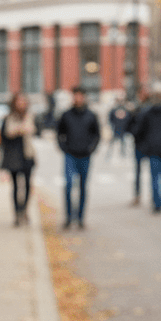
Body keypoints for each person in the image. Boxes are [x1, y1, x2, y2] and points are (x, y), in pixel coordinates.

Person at [56, 86, 101, 229]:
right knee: (69, 185)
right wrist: (64, 148)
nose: (78, 98)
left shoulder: (91, 115)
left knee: (83, 187)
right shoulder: (66, 115)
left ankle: (80, 218)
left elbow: (97, 134)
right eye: (76, 96)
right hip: (70, 155)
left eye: (81, 96)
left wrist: (91, 148)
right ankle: (69, 217)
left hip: (85, 155)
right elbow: (59, 133)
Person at [0, 93, 36, 227]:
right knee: (15, 186)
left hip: (27, 155)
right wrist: (20, 130)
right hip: (13, 156)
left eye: (23, 101)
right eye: (19, 101)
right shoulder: (9, 118)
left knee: (27, 185)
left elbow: (31, 129)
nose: (21, 104)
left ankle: (24, 209)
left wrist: (19, 130)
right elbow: (6, 134)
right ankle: (16, 213)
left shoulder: (29, 116)